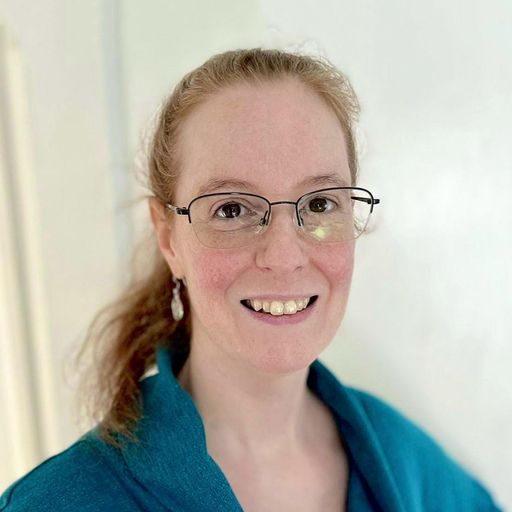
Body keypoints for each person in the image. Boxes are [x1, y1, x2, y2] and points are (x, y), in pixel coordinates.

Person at [0, 48, 502, 512]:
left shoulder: (409, 467)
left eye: (319, 203)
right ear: (168, 237)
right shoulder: (57, 502)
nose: (283, 256)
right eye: (232, 209)